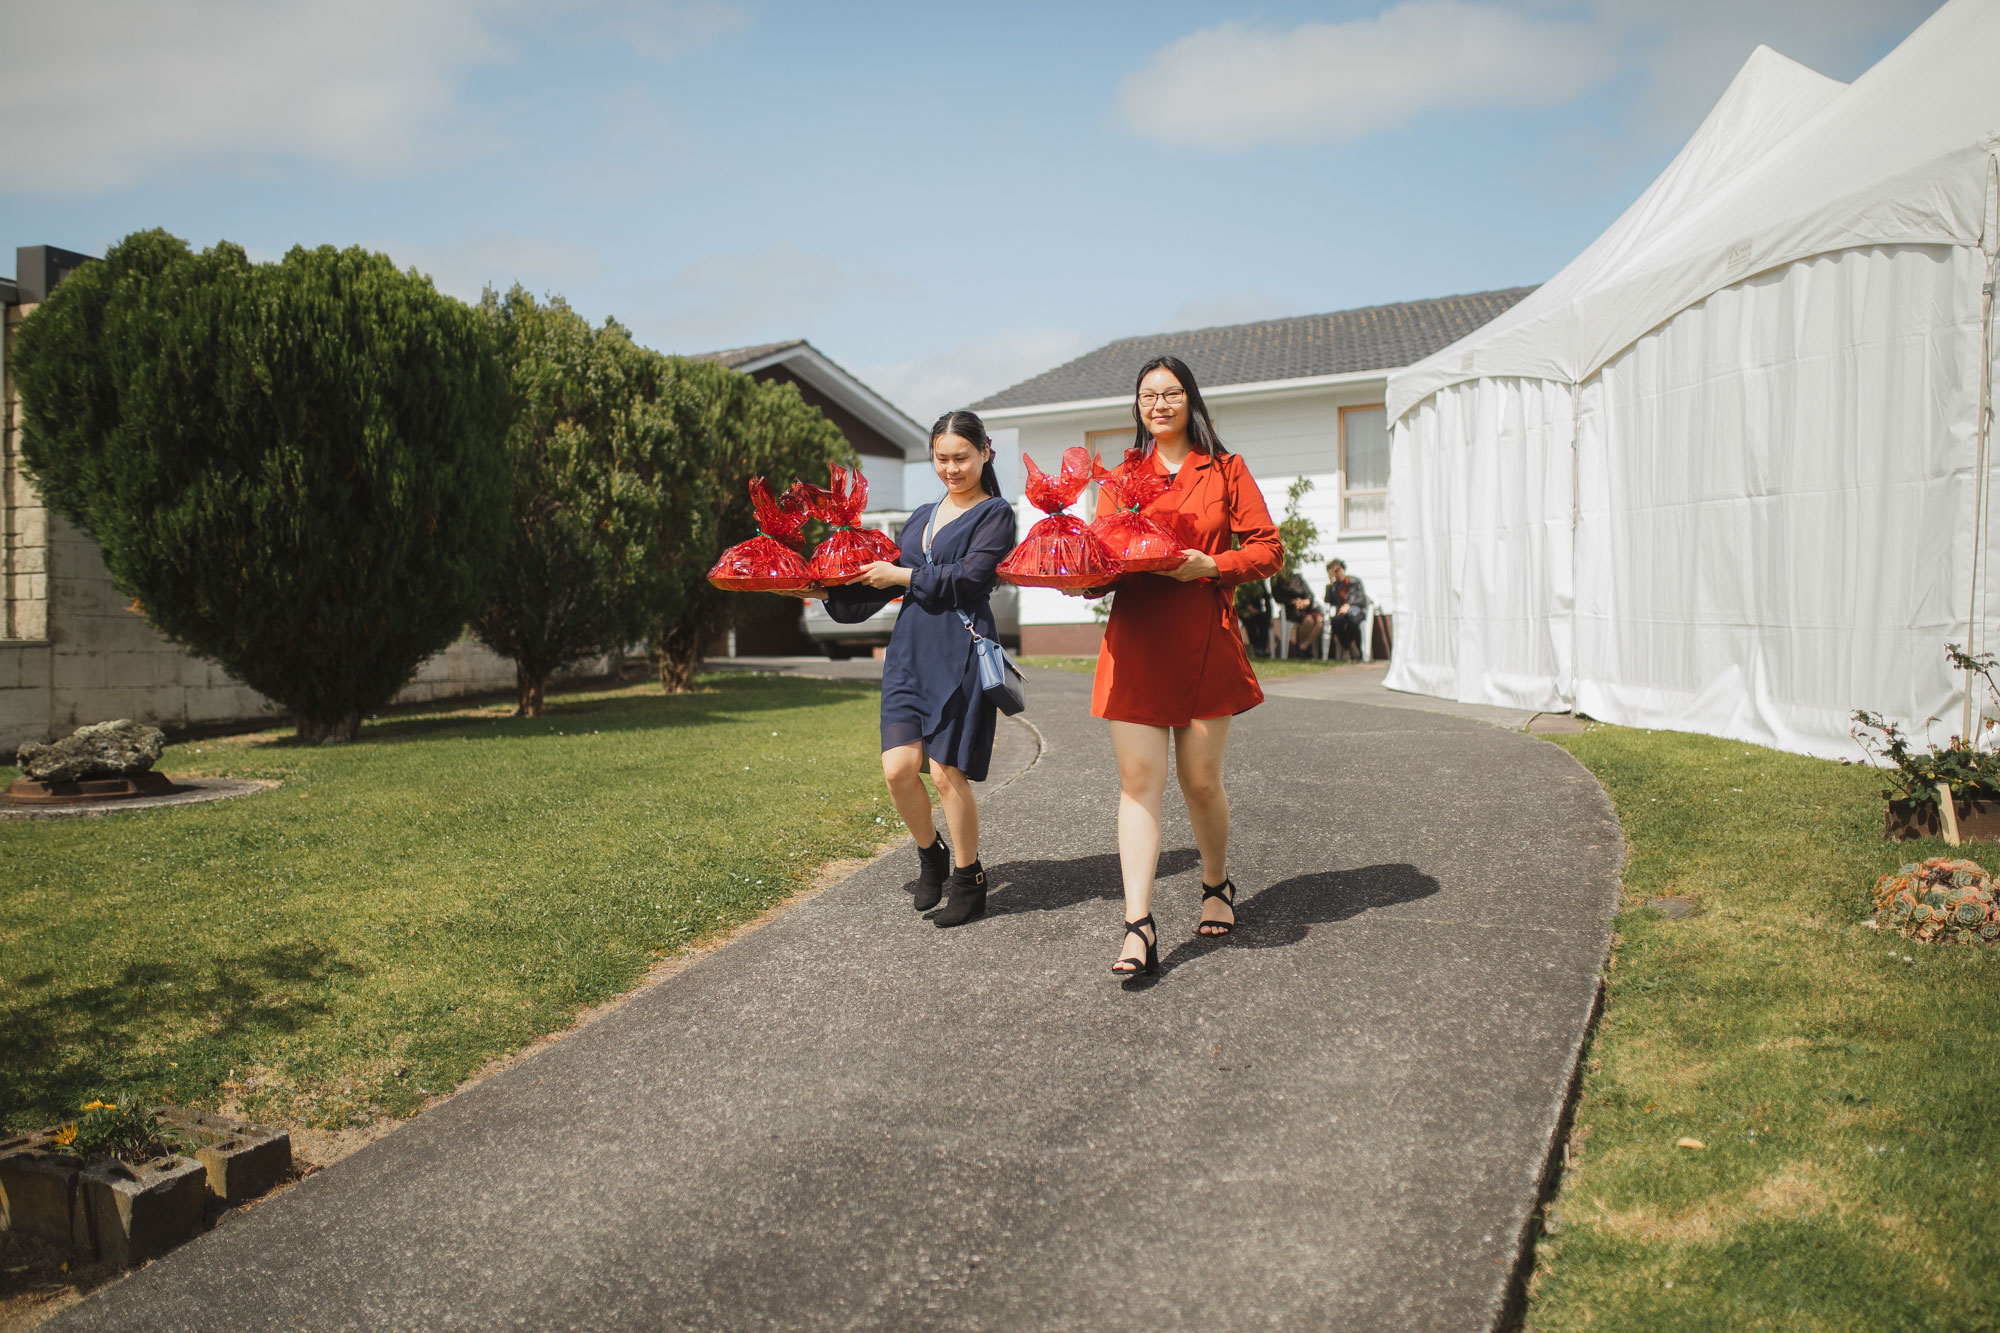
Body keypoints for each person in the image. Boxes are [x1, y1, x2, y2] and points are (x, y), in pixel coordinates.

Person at [1083, 355, 1283, 975]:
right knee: (1138, 782)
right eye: (1148, 395)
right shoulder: (1119, 478)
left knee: (1199, 781)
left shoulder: (1226, 468)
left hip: (1203, 641)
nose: (1159, 404)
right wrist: (1078, 578)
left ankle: (1216, 883)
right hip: (1137, 644)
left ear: (1190, 401)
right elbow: (1101, 561)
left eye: (1171, 394)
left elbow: (1268, 549)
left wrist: (1211, 567)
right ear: (1138, 407)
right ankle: (1137, 924)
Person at [799, 411, 1018, 927]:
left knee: (945, 774)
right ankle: (931, 854)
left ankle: (969, 878)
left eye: (961, 457)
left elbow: (969, 577)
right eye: (941, 458)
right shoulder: (921, 515)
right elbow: (886, 586)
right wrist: (825, 591)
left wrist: (903, 572)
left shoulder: (996, 514)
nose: (951, 468)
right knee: (898, 770)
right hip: (909, 654)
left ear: (986, 452)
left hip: (959, 652)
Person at [1323, 558, 1371, 661]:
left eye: (1338, 569)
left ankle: (1346, 648)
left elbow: (1362, 599)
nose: (1338, 572)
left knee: (1353, 622)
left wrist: (1348, 605)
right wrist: (1331, 584)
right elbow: (1328, 601)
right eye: (1334, 571)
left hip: (1356, 611)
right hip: (1342, 613)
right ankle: (1350, 645)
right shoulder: (1333, 586)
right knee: (1335, 622)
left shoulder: (1354, 581)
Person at [1270, 568, 1322, 658]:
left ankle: (1303, 647)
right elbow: (1278, 599)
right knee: (1309, 620)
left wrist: (1306, 602)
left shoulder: (1297, 578)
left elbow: (1309, 594)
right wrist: (1293, 602)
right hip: (1291, 611)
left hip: (1305, 608)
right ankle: (1303, 650)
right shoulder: (1275, 581)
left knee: (1319, 622)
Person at [1234, 578, 1272, 658]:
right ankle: (1256, 648)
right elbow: (1239, 600)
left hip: (1258, 612)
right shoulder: (1242, 582)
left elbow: (1266, 599)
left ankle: (1262, 648)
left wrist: (1267, 615)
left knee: (1264, 620)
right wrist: (1249, 607)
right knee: (1250, 622)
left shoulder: (1259, 582)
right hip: (1244, 611)